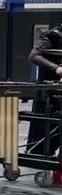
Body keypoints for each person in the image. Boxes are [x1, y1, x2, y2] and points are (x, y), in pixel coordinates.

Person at [27, 24, 62, 162]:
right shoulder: (52, 35)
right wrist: (56, 68)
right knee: (45, 130)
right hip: (48, 91)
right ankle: (42, 158)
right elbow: (34, 56)